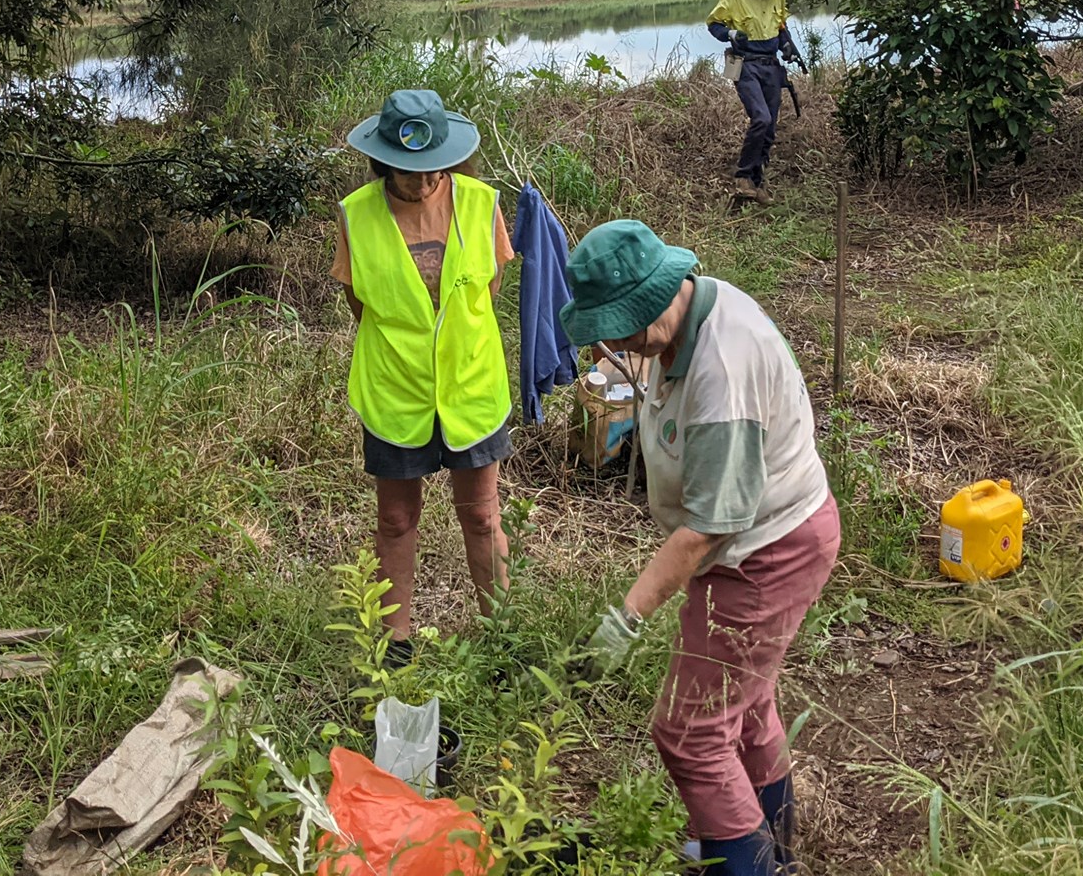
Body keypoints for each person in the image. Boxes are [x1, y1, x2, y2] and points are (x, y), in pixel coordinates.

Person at [561, 220, 838, 876]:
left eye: (623, 327)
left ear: (659, 296)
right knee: (743, 708)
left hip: (767, 554)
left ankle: (749, 865)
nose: (615, 344)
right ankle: (770, 844)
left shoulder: (723, 366)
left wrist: (627, 615)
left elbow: (709, 527)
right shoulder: (682, 316)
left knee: (688, 731)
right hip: (757, 543)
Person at [333, 89, 517, 659]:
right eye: (409, 171)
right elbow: (360, 304)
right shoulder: (355, 214)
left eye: (433, 168)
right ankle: (396, 643)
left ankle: (502, 637)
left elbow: (488, 292)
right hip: (396, 391)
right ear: (383, 159)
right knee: (394, 517)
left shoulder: (482, 204)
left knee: (483, 518)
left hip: (471, 387)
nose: (422, 182)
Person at [707, 0, 804, 205]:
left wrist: (787, 45)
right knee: (760, 118)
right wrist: (730, 35)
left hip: (771, 66)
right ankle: (742, 176)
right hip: (745, 65)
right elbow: (714, 24)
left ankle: (755, 185)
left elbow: (781, 24)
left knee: (770, 128)